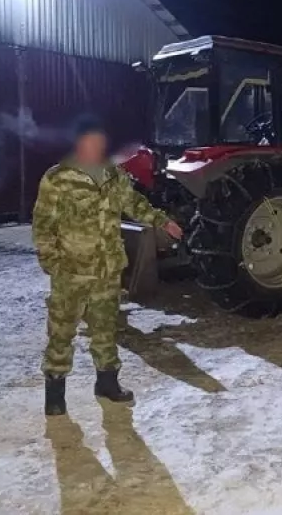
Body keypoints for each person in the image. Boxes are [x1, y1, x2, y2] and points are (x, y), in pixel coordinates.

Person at [32, 117, 183, 416]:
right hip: (71, 271)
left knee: (105, 329)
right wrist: (53, 264)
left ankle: (107, 383)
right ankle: (55, 393)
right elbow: (42, 225)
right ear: (78, 143)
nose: (96, 148)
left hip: (107, 269)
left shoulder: (114, 176)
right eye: (90, 142)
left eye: (100, 142)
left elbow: (135, 203)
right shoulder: (58, 178)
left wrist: (162, 220)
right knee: (62, 331)